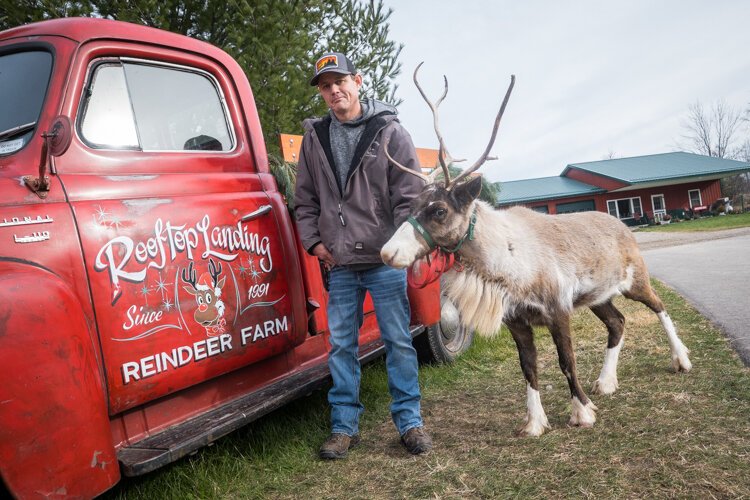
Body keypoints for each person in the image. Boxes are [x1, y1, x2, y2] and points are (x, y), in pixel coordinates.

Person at [294, 52, 432, 459]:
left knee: (398, 342)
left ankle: (409, 422)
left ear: (358, 81)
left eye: (340, 81)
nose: (334, 89)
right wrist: (315, 244)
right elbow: (304, 199)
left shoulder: (390, 132)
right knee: (340, 347)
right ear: (321, 93)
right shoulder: (314, 139)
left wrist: (400, 247)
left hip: (384, 262)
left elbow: (410, 198)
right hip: (340, 266)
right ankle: (344, 427)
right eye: (325, 85)